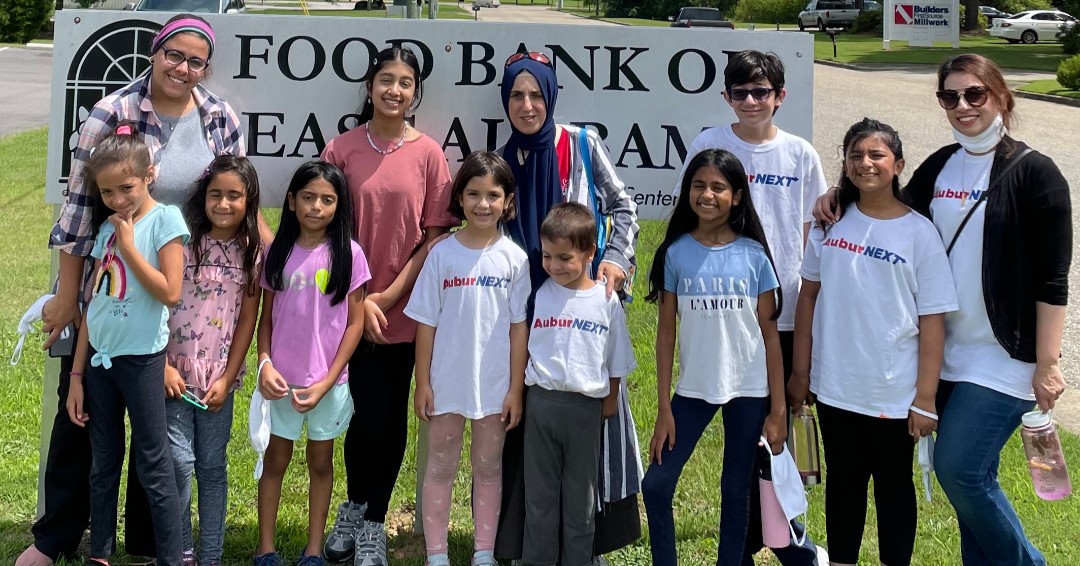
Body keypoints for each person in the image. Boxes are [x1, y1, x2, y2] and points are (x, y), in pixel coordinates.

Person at [814, 54, 1070, 565]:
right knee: (974, 482)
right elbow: (886, 206)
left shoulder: (1037, 173)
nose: (962, 105)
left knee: (961, 471)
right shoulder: (939, 165)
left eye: (974, 93)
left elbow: (1052, 277)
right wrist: (835, 192)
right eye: (950, 96)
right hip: (944, 353)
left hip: (1003, 357)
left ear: (1001, 96)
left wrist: (1047, 360)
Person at [26, 15, 250, 565]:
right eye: (174, 55)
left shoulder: (219, 116)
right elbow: (80, 211)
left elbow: (235, 193)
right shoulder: (112, 113)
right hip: (107, 281)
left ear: (207, 66)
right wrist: (67, 297)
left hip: (181, 290)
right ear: (155, 52)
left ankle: (150, 544)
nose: (184, 68)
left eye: (196, 60)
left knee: (156, 420)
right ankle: (56, 536)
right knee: (81, 421)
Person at [672, 50, 827, 563]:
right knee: (747, 443)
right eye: (741, 92)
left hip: (779, 317)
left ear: (780, 96)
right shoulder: (709, 144)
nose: (752, 101)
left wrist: (808, 305)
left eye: (762, 92)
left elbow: (809, 232)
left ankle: (784, 541)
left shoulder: (801, 153)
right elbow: (690, 214)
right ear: (726, 97)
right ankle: (780, 545)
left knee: (775, 438)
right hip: (726, 317)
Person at [786, 119, 957, 566]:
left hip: (895, 394)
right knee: (844, 485)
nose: (866, 164)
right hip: (836, 386)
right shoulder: (830, 222)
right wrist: (801, 373)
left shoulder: (919, 233)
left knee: (894, 488)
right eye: (856, 155)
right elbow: (808, 296)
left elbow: (933, 319)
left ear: (898, 164)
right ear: (844, 163)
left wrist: (925, 397)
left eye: (877, 155)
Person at [494, 47, 642, 564]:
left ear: (552, 96)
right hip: (526, 311)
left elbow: (623, 204)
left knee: (590, 438)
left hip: (580, 304)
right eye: (516, 94)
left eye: (536, 94)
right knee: (527, 435)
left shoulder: (580, 143)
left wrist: (617, 260)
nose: (527, 105)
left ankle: (588, 544)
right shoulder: (505, 158)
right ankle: (525, 544)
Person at [320, 46, 456, 566]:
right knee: (360, 416)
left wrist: (388, 296)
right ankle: (353, 508)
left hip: (403, 309)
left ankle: (375, 522)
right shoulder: (342, 148)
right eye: (385, 80)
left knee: (390, 416)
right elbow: (323, 227)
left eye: (405, 83)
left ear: (415, 92)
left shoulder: (428, 153)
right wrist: (360, 299)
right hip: (347, 307)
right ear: (370, 87)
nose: (394, 90)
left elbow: (435, 234)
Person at [641, 149, 787, 566]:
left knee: (735, 489)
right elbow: (666, 333)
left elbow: (770, 336)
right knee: (656, 485)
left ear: (737, 196)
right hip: (694, 390)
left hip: (750, 389)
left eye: (718, 187)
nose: (707, 194)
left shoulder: (755, 256)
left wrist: (777, 409)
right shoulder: (675, 253)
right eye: (699, 185)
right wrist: (664, 408)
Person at [63, 125, 190, 566]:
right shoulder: (107, 230)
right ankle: (100, 553)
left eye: (126, 188)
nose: (117, 200)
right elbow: (93, 306)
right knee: (104, 462)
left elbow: (170, 292)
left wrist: (130, 245)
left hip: (141, 361)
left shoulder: (166, 220)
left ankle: (171, 557)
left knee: (154, 465)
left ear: (149, 175)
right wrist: (77, 375)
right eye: (107, 192)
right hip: (100, 361)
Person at [404, 151, 531, 566]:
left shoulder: (515, 258)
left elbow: (518, 328)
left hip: (495, 388)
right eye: (473, 193)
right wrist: (423, 382)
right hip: (446, 383)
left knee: (488, 467)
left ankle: (483, 552)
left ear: (507, 201)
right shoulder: (442, 254)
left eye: (493, 195)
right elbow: (425, 323)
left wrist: (515, 388)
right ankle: (437, 553)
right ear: (459, 197)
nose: (482, 204)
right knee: (440, 466)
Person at [254, 161, 370, 566]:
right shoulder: (277, 252)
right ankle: (266, 548)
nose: (316, 207)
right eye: (308, 197)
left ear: (339, 206)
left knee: (321, 462)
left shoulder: (350, 254)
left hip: (329, 385)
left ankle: (314, 550)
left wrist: (328, 380)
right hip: (281, 382)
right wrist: (265, 363)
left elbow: (355, 324)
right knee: (276, 460)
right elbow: (266, 319)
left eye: (327, 199)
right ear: (290, 201)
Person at [521, 202, 636, 566]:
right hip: (541, 405)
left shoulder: (605, 302)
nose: (555, 266)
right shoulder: (540, 294)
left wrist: (611, 399)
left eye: (565, 258)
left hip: (585, 410)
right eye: (548, 257)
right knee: (539, 497)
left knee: (581, 499)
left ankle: (579, 560)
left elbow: (616, 359)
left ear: (590, 254)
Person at [163, 155, 263, 566]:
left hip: (218, 380)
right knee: (177, 463)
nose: (223, 203)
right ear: (203, 197)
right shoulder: (182, 243)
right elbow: (158, 303)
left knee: (211, 465)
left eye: (234, 196)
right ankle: (182, 550)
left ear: (249, 200)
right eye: (215, 194)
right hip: (171, 375)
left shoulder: (252, 252)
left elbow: (247, 320)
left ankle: (211, 555)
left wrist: (230, 374)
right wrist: (162, 366)